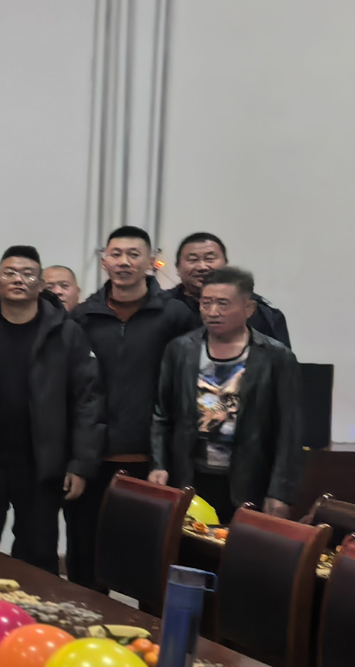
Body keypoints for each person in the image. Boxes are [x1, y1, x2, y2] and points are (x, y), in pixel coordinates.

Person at [66, 225, 198, 590]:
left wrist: (167, 458)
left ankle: (145, 626)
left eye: (133, 254)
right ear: (104, 260)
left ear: (151, 261)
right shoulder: (82, 317)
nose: (124, 262)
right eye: (116, 254)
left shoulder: (175, 316)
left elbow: (184, 392)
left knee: (147, 561)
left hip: (151, 462)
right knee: (86, 558)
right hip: (92, 461)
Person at [0, 248, 103, 573]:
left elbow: (88, 401)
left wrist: (81, 464)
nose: (18, 279)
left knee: (38, 555)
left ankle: (35, 608)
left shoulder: (66, 332)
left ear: (40, 284)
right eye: (10, 273)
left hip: (42, 465)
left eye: (27, 274)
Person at [150, 267, 303, 523]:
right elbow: (161, 415)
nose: (212, 312)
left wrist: (280, 493)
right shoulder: (180, 350)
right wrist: (159, 465)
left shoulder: (275, 356)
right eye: (206, 303)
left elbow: (289, 430)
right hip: (190, 477)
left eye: (223, 304)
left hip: (250, 481)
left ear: (249, 308)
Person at [168, 233, 291, 348]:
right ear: (177, 267)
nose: (202, 267)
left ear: (225, 264)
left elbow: (280, 359)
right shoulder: (164, 308)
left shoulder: (259, 311)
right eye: (193, 260)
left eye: (209, 258)